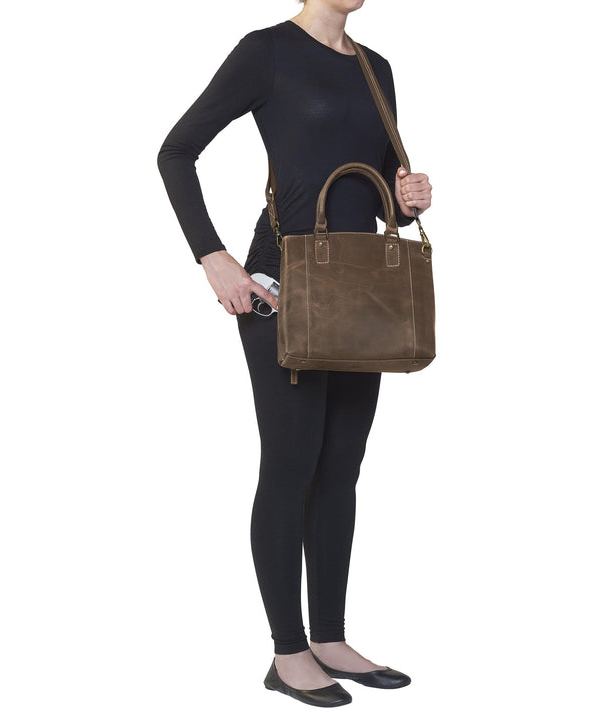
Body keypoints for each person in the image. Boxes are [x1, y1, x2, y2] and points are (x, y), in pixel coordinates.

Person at [157, 0, 432, 708]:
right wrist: (213, 257)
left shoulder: (376, 69)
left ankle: (330, 638)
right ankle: (287, 652)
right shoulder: (267, 51)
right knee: (291, 463)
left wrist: (406, 199)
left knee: (341, 466)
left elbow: (378, 195)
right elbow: (175, 152)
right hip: (282, 282)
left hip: (359, 286)